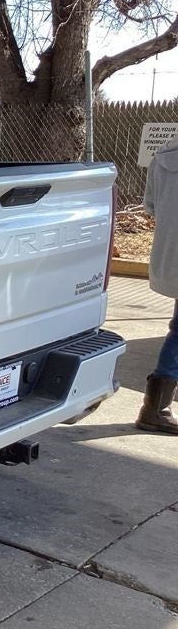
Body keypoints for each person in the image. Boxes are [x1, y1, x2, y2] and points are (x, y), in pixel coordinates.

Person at [136, 133, 178, 435]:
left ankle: (156, 408)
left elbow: (151, 207)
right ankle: (155, 410)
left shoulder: (163, 156)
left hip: (170, 258)